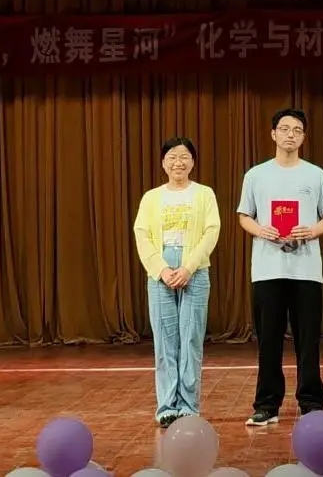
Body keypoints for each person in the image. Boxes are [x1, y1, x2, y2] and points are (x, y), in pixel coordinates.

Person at [237, 108, 323, 426]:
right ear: (273, 134)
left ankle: (311, 401)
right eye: (284, 128)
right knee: (269, 340)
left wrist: (312, 230)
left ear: (303, 137)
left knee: (308, 340)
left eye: (297, 129)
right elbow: (244, 216)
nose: (290, 134)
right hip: (267, 269)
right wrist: (261, 230)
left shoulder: (315, 175)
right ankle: (266, 404)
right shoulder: (256, 175)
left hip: (306, 270)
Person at [133, 136, 221, 428]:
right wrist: (161, 269)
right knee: (165, 342)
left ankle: (188, 406)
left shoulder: (204, 194)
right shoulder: (151, 197)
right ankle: (166, 407)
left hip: (194, 271)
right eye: (172, 157)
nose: (178, 163)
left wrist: (188, 267)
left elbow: (211, 231)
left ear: (193, 162)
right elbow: (142, 234)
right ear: (163, 163)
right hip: (160, 273)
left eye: (184, 157)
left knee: (191, 339)